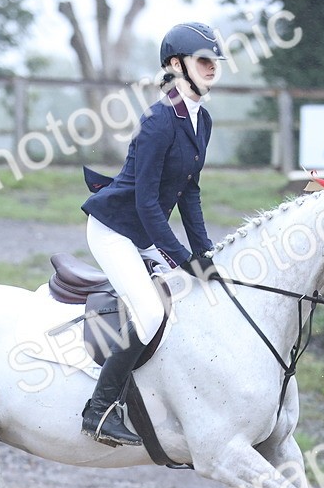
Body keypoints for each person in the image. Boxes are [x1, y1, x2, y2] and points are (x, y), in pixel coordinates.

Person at [78, 22, 225, 448]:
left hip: (144, 232)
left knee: (191, 299)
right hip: (115, 230)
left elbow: (190, 193)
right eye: (203, 60)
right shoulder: (159, 119)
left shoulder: (203, 120)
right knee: (150, 312)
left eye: (214, 61)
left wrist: (206, 253)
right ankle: (100, 410)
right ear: (176, 65)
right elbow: (145, 204)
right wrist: (182, 258)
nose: (212, 67)